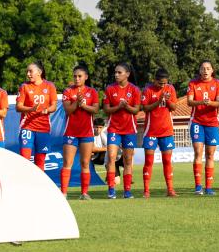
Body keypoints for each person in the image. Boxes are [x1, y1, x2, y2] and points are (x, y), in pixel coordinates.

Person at [60, 64, 99, 200]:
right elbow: (67, 110)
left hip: (87, 133)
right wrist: (77, 102)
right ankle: (64, 193)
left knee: (85, 163)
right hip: (71, 132)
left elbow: (95, 110)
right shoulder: (68, 92)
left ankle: (84, 193)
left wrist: (84, 105)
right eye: (75, 76)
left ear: (86, 77)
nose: (77, 79)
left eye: (80, 76)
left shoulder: (92, 92)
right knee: (67, 163)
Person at [103, 63, 141, 199]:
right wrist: (118, 107)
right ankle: (111, 190)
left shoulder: (135, 90)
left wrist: (126, 107)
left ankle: (127, 191)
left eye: (119, 72)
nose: (116, 75)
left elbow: (136, 110)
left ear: (127, 74)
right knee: (111, 157)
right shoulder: (110, 89)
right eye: (115, 72)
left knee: (128, 160)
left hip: (129, 129)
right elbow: (106, 109)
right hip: (114, 128)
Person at [187, 60, 219, 195]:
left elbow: (218, 103)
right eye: (202, 68)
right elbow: (189, 102)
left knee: (210, 155)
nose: (205, 71)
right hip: (197, 122)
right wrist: (201, 102)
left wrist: (210, 103)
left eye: (208, 68)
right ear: (199, 70)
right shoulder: (193, 83)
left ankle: (209, 187)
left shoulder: (218, 84)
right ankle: (198, 186)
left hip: (212, 123)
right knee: (198, 152)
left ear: (212, 70)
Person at [141, 68, 178, 198]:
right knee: (149, 161)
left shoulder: (171, 89)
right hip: (151, 131)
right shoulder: (148, 90)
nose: (162, 85)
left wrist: (166, 100)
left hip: (166, 131)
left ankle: (170, 189)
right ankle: (146, 190)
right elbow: (145, 108)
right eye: (160, 83)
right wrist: (159, 100)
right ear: (154, 80)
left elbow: (173, 107)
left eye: (164, 83)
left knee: (167, 161)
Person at [16, 61, 57, 171]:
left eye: (30, 71)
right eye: (27, 72)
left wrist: (47, 110)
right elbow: (18, 107)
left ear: (39, 72)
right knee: (25, 160)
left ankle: (40, 187)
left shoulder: (49, 86)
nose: (28, 74)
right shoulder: (24, 86)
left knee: (40, 161)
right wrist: (31, 109)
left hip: (43, 128)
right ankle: (25, 186)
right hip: (27, 127)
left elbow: (54, 106)